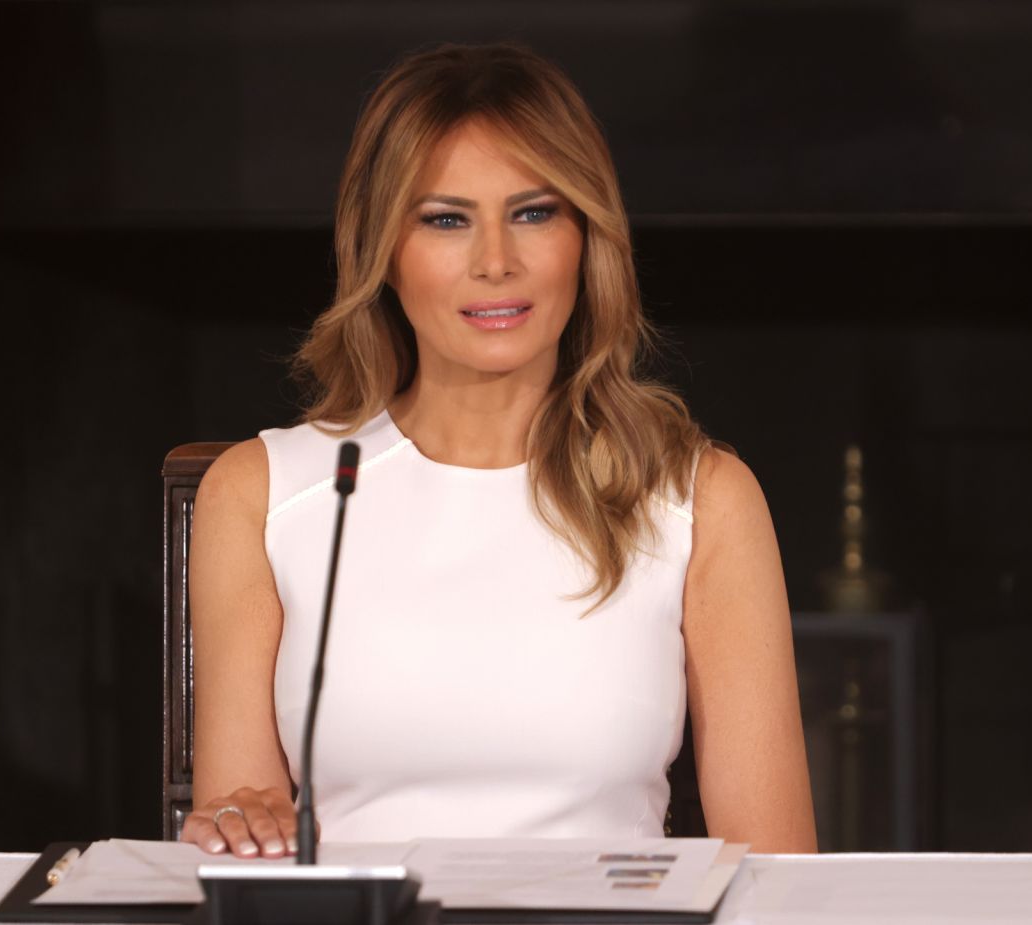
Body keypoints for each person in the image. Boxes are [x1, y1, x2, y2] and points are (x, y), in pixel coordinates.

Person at [181, 42, 816, 858]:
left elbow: (777, 877)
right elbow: (242, 840)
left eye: (534, 212)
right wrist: (236, 824)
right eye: (446, 219)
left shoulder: (703, 498)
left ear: (587, 239)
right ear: (383, 251)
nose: (495, 263)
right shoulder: (263, 493)